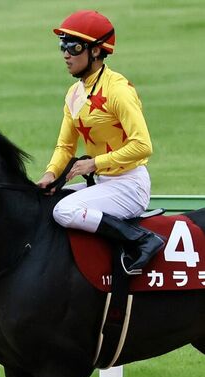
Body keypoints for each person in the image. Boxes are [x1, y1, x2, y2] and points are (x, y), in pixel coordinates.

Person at [36, 10, 162, 275]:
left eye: (74, 46)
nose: (66, 54)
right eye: (63, 46)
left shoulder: (118, 90)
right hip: (103, 183)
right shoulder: (75, 93)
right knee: (46, 204)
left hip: (129, 186)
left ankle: (141, 239)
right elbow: (65, 147)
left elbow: (143, 146)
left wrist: (93, 164)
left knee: (64, 211)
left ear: (95, 51)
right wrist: (50, 175)